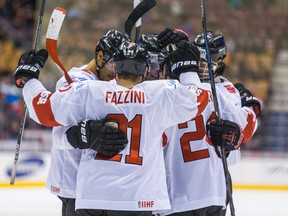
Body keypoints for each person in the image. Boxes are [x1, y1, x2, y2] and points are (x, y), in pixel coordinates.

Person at [14, 36, 247, 215]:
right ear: (146, 71)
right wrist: (187, 71)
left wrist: (29, 80)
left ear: (116, 68)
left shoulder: (89, 91)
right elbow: (198, 98)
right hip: (138, 199)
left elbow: (43, 111)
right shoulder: (159, 95)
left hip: (90, 198)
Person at [152, 31, 260, 216]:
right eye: (197, 59)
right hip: (209, 191)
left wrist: (234, 139)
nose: (200, 66)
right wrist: (251, 108)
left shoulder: (218, 89)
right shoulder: (217, 92)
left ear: (218, 63)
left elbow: (240, 139)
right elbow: (246, 127)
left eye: (205, 61)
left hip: (191, 189)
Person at [46, 29, 130, 216]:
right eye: (113, 65)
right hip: (72, 183)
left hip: (95, 188)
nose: (117, 74)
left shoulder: (106, 83)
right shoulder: (76, 81)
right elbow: (59, 136)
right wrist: (83, 135)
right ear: (100, 56)